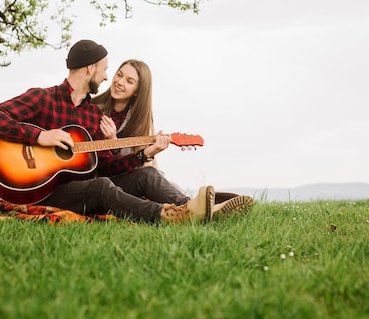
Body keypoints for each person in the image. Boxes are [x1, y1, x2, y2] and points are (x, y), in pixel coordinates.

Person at [0, 39, 214, 223]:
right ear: (90, 68)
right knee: (101, 188)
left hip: (79, 188)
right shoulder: (43, 98)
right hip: (41, 190)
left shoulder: (93, 115)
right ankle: (164, 216)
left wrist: (145, 154)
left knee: (147, 175)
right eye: (105, 70)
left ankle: (197, 208)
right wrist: (41, 136)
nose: (106, 77)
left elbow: (104, 166)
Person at [92, 59, 255, 218]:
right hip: (99, 183)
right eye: (119, 75)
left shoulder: (142, 122)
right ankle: (202, 208)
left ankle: (195, 207)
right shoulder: (92, 109)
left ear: (137, 90)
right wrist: (111, 143)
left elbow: (147, 170)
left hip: (127, 183)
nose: (120, 82)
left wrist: (150, 153)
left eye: (129, 81)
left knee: (151, 175)